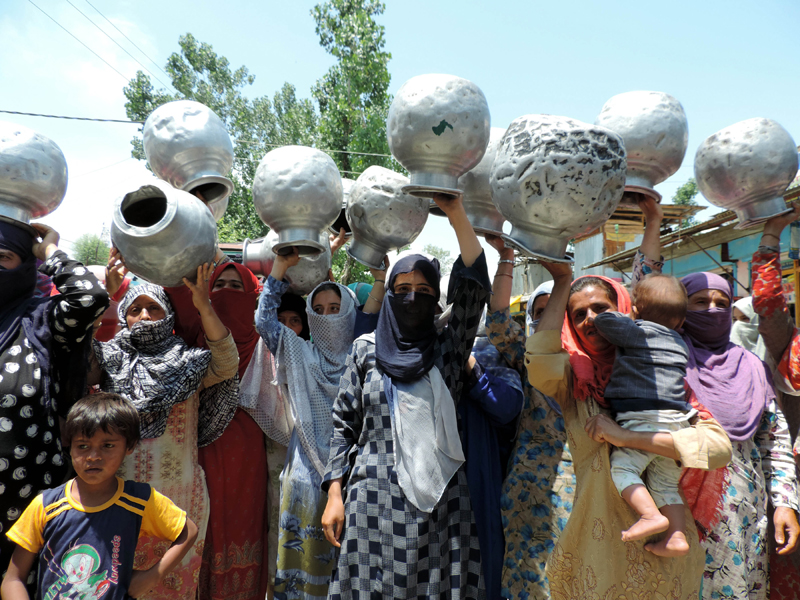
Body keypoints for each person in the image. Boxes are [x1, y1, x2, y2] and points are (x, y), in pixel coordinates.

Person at [321, 194, 491, 599]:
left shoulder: (448, 349)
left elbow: (473, 289)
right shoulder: (365, 350)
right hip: (371, 499)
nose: (413, 297)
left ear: (435, 299)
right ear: (390, 295)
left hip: (441, 504)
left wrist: (455, 212)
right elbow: (343, 426)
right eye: (402, 288)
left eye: (423, 289)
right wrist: (334, 494)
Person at [632, 198, 800, 599]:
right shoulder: (665, 354)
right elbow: (643, 289)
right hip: (674, 504)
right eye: (700, 302)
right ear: (680, 309)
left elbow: (773, 442)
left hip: (744, 513)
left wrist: (784, 503)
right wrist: (653, 222)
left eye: (722, 303)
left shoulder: (751, 366)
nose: (712, 309)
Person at [91, 266, 239, 600]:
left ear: (168, 314)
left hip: (181, 497)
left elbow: (227, 363)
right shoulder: (110, 359)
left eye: (153, 308)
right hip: (119, 496)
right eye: (134, 309)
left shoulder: (190, 362)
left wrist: (204, 306)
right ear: (124, 317)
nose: (144, 316)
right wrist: (106, 299)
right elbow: (79, 359)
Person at [1, 393, 198, 600]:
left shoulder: (138, 500)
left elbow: (188, 531)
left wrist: (151, 577)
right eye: (83, 446)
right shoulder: (46, 505)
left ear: (129, 446)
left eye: (108, 445)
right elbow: (13, 580)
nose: (93, 456)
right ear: (69, 445)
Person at [0, 221, 108, 579]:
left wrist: (48, 250)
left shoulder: (40, 320)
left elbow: (90, 297)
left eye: (4, 257)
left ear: (26, 264)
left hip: (24, 501)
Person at [254, 253, 361, 600]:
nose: (327, 316)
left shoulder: (364, 356)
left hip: (351, 479)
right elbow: (264, 322)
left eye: (335, 308)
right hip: (304, 477)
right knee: (299, 568)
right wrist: (280, 269)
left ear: (349, 312)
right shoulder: (299, 352)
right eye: (319, 309)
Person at [483, 235, 574, 600]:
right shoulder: (528, 358)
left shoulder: (595, 365)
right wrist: (506, 256)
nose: (549, 318)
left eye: (559, 308)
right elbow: (498, 322)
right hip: (528, 493)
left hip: (584, 490)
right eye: (540, 311)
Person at [593, 275, 693, 555]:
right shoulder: (680, 343)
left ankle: (649, 515)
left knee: (623, 468)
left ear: (636, 311)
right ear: (681, 321)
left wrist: (625, 316)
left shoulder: (638, 331)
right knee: (665, 483)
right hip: (677, 423)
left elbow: (603, 321)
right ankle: (676, 536)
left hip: (641, 417)